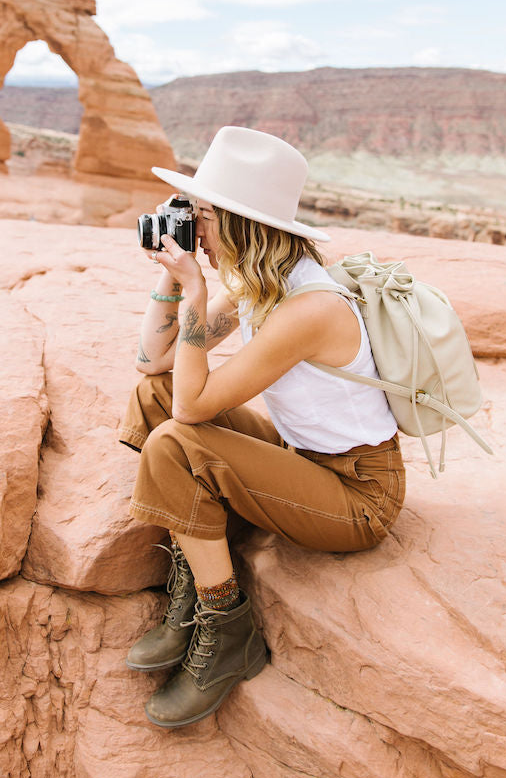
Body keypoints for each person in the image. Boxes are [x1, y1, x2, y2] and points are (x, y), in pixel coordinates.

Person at [118, 126, 406, 728]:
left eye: (201, 217)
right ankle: (193, 574)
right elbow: (154, 364)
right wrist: (173, 278)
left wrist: (197, 291)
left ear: (243, 224)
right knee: (153, 396)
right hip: (300, 457)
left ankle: (227, 629)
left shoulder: (310, 308)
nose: (190, 230)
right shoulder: (260, 286)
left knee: (176, 435)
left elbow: (194, 411)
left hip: (356, 494)